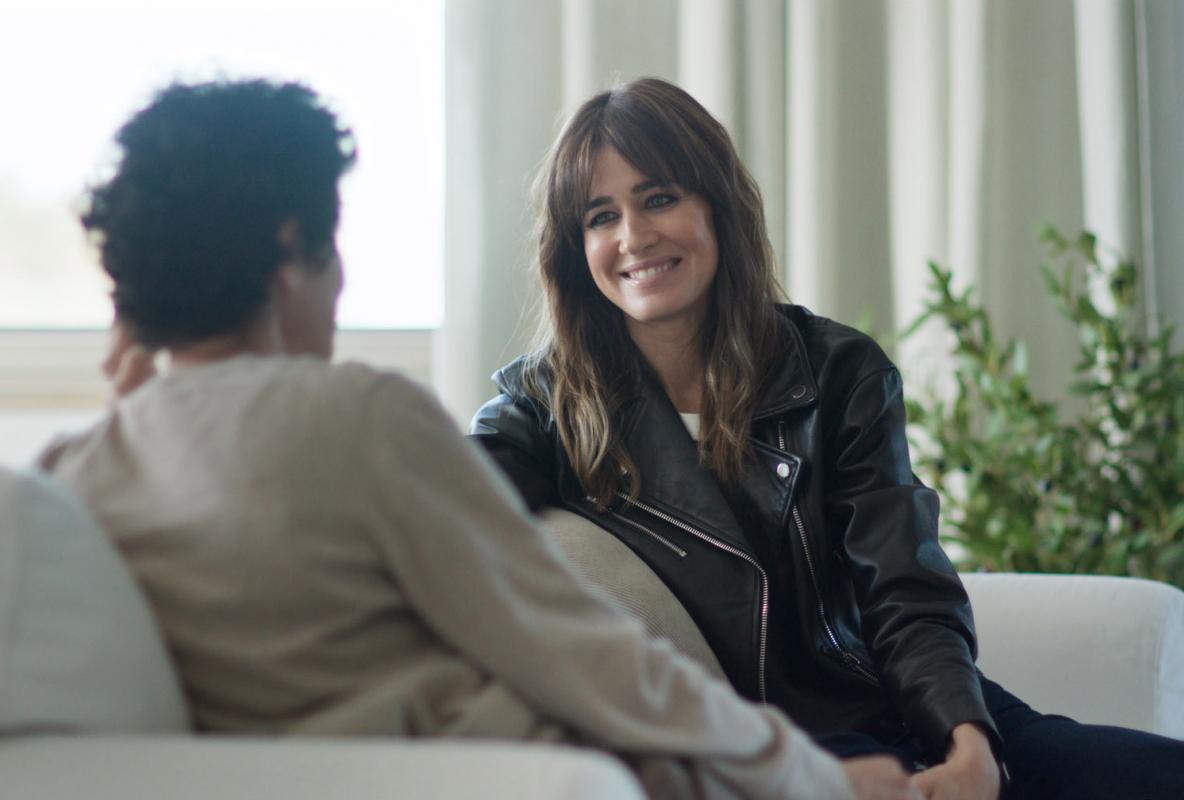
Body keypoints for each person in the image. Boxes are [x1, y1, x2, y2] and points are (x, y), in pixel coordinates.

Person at [37, 78, 919, 800]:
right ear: (291, 249)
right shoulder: (360, 417)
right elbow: (582, 651)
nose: (339, 286)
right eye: (333, 245)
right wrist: (811, 777)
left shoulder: (77, 475)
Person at [469, 77, 1184, 800]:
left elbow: (904, 587)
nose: (633, 237)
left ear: (718, 206)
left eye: (659, 198)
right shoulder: (543, 407)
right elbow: (446, 508)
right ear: (575, 248)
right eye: (601, 216)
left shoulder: (836, 370)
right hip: (783, 752)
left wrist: (969, 744)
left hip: (916, 703)